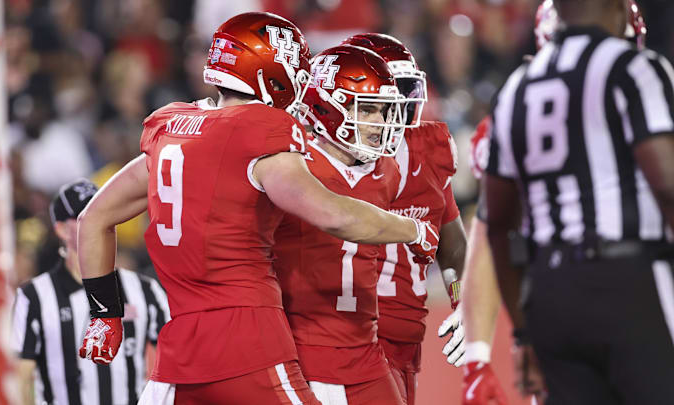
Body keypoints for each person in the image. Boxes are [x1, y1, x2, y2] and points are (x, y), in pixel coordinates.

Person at [75, 12, 439, 405]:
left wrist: (104, 314)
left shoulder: (171, 128)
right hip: (249, 340)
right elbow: (336, 215)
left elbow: (93, 218)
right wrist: (412, 230)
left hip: (180, 352)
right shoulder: (259, 130)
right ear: (268, 70)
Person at [485, 0, 674, 403]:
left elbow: (499, 224)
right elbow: (668, 186)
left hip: (550, 294)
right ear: (617, 9)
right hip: (630, 281)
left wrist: (523, 331)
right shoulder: (633, 67)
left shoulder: (516, 86)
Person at [273, 44, 410, 405]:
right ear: (324, 106)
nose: (379, 123)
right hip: (304, 349)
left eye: (382, 111)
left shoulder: (388, 172)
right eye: (367, 109)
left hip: (366, 350)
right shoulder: (292, 164)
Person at [341, 33, 468, 405]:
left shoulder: (429, 149)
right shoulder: (318, 153)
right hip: (342, 339)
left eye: (403, 96)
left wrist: (462, 300)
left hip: (407, 338)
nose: (392, 113)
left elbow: (453, 246)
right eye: (379, 101)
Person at [11, 178, 170, 405]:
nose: (98, 219)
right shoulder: (34, 296)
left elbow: (177, 361)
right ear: (61, 229)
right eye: (84, 214)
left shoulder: (146, 291)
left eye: (103, 210)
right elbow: (21, 378)